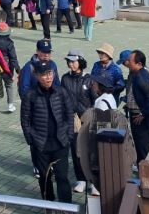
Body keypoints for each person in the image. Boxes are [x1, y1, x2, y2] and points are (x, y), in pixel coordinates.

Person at [21, 60, 74, 203]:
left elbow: (69, 115)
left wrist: (69, 136)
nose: (48, 77)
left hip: (60, 143)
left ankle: (66, 208)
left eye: (50, 73)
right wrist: (31, 140)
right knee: (44, 178)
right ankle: (49, 206)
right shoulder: (30, 95)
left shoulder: (61, 92)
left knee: (62, 177)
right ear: (37, 76)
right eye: (44, 75)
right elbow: (25, 119)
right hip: (41, 145)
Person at [62, 50, 95, 195]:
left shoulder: (89, 79)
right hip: (72, 119)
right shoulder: (65, 78)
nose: (71, 64)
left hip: (88, 119)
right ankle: (81, 179)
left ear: (80, 62)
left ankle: (93, 181)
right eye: (69, 61)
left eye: (73, 61)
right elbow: (62, 98)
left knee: (91, 151)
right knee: (76, 150)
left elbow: (94, 99)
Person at [125, 50, 149, 162]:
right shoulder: (137, 74)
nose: (127, 63)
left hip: (142, 121)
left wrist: (143, 113)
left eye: (130, 61)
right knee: (141, 150)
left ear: (139, 64)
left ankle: (146, 172)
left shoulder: (141, 77)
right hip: (139, 118)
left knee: (144, 152)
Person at [0, 21, 20, 112]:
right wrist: (17, 69)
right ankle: (10, 105)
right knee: (9, 85)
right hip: (6, 66)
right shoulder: (9, 43)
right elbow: (13, 57)